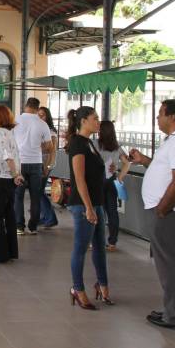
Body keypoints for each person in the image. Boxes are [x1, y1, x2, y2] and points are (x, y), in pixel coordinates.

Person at [130, 99, 175, 332]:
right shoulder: (173, 141)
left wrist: (162, 209)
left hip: (171, 213)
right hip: (169, 211)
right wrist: (144, 160)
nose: (157, 118)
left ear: (172, 117)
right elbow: (165, 170)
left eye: (160, 114)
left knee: (170, 266)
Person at [66, 106, 110, 310]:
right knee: (81, 248)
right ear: (83, 120)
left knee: (100, 247)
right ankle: (77, 288)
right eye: (95, 118)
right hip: (84, 205)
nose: (98, 122)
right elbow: (79, 178)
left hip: (96, 202)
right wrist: (88, 208)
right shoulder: (77, 143)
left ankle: (102, 284)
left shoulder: (89, 143)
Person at [0, 105, 23, 264]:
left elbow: (8, 156)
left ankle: (1, 254)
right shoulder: (7, 133)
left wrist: (15, 174)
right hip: (7, 179)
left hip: (2, 179)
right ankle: (11, 251)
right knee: (9, 215)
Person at [13, 97, 52, 235]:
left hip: (20, 163)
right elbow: (49, 146)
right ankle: (33, 227)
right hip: (36, 163)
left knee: (18, 195)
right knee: (35, 196)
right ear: (37, 108)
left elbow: (10, 141)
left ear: (26, 106)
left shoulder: (15, 120)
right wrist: (37, 146)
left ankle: (19, 226)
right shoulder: (42, 124)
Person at [95, 120, 130, 250]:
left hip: (99, 180)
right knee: (112, 212)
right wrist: (120, 177)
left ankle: (97, 240)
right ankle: (112, 242)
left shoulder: (96, 145)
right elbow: (127, 164)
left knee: (99, 211)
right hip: (112, 180)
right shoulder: (117, 146)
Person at [38, 106, 59, 228]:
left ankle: (50, 218)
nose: (40, 117)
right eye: (38, 115)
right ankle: (45, 216)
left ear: (48, 117)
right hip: (39, 163)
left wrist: (48, 166)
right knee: (38, 191)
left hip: (46, 164)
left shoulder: (51, 132)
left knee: (39, 191)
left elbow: (52, 151)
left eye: (43, 115)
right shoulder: (39, 129)